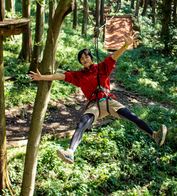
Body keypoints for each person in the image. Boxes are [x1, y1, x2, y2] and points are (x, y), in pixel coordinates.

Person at [28, 33, 167, 164]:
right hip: (94, 105)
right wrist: (42, 77)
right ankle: (70, 152)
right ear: (81, 62)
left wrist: (125, 45)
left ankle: (155, 135)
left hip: (109, 101)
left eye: (86, 56)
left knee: (132, 116)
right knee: (82, 124)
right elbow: (60, 76)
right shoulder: (79, 75)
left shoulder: (102, 67)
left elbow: (114, 56)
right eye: (82, 58)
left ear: (91, 57)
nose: (84, 59)